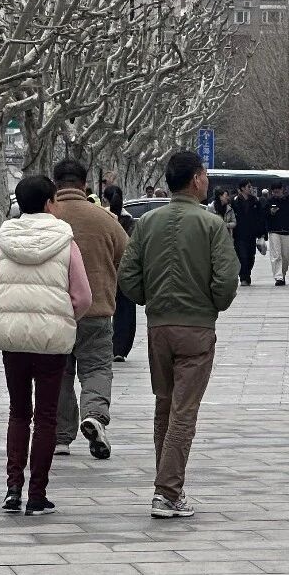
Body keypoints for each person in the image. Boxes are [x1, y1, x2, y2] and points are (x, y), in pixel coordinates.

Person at [118, 150, 239, 520]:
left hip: (159, 326)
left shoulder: (147, 223)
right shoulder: (211, 224)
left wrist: (149, 299)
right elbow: (226, 280)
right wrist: (211, 303)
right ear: (196, 179)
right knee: (183, 411)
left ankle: (168, 486)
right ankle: (167, 492)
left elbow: (127, 276)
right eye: (204, 175)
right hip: (197, 327)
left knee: (165, 405)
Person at [0, 174, 93, 515]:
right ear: (49, 203)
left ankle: (12, 488)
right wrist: (63, 317)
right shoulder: (66, 241)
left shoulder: (4, 240)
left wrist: (9, 314)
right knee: (46, 417)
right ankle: (37, 495)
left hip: (12, 340)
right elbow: (83, 297)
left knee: (18, 412)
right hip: (51, 341)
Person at [50, 158, 128, 460]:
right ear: (85, 185)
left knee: (59, 373)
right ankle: (94, 414)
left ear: (55, 183)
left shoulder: (47, 217)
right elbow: (127, 257)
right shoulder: (105, 219)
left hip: (55, 312)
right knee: (96, 368)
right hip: (96, 311)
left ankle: (60, 437)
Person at [103, 185, 137, 363]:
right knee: (125, 311)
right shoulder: (130, 221)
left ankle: (104, 346)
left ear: (104, 199)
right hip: (125, 273)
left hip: (103, 271)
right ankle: (120, 349)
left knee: (101, 311)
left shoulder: (101, 218)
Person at [263, 183, 289, 286]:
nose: (276, 194)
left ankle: (282, 274)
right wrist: (271, 212)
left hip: (287, 231)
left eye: (278, 192)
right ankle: (278, 277)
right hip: (274, 230)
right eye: (274, 192)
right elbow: (264, 215)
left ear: (282, 190)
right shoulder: (270, 201)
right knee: (276, 255)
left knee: (286, 256)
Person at [230, 181, 266, 286]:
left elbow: (260, 218)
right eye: (248, 187)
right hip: (239, 234)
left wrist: (262, 233)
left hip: (251, 234)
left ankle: (247, 274)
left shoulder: (255, 201)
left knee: (251, 256)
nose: (251, 189)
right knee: (242, 256)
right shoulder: (234, 201)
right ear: (242, 188)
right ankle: (243, 277)